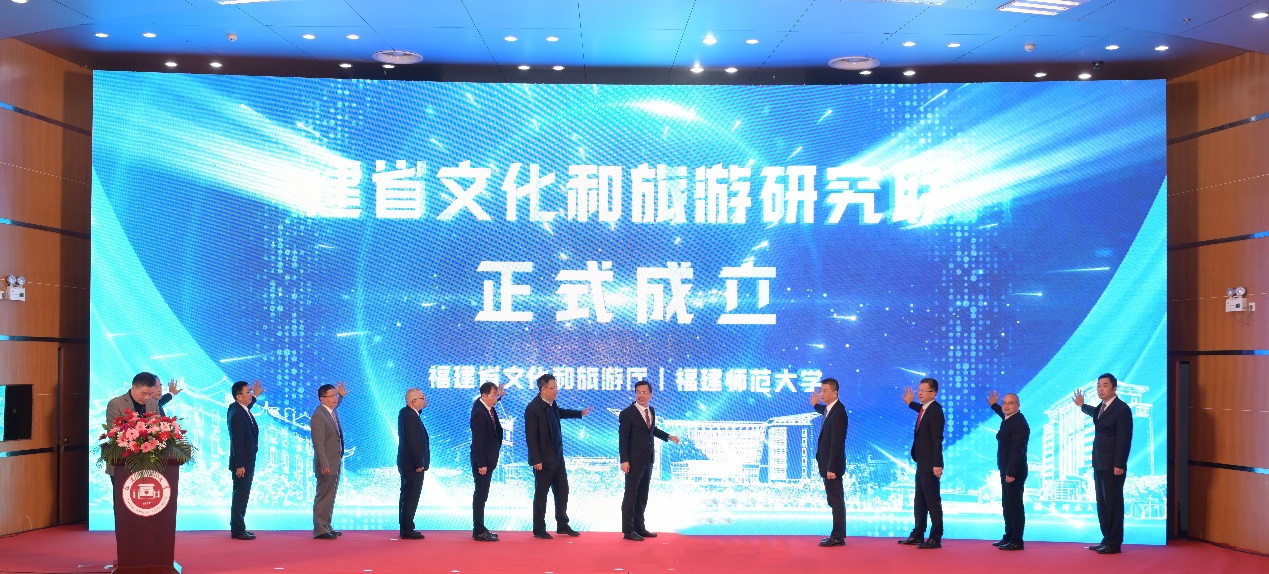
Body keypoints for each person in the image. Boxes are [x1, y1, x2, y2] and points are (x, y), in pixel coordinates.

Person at [524, 373, 590, 539]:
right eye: (553, 388)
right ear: (543, 389)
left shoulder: (552, 404)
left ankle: (562, 524)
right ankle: (539, 528)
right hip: (543, 460)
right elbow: (531, 437)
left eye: (556, 387)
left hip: (557, 457)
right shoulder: (533, 408)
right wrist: (536, 459)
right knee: (541, 494)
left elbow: (560, 413)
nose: (556, 391)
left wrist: (579, 413)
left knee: (562, 490)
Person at [1073, 373, 1133, 555]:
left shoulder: (1122, 409)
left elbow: (1124, 439)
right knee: (1103, 504)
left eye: (1105, 385)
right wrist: (1082, 405)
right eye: (1098, 385)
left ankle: (1114, 542)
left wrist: (1119, 464)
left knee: (1113, 504)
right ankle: (1106, 539)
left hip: (1113, 465)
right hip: (1099, 462)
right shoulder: (1102, 407)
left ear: (1114, 388)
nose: (1100, 389)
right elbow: (1097, 415)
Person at [618, 380, 680, 541]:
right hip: (633, 461)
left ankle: (640, 527)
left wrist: (668, 436)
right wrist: (624, 460)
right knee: (631, 495)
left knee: (642, 495)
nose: (641, 395)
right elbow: (623, 439)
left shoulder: (651, 410)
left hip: (648, 459)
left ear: (651, 395)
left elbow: (652, 430)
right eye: (638, 392)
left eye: (645, 392)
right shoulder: (627, 413)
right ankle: (628, 530)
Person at [898, 377, 945, 549]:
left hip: (931, 463)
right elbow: (921, 409)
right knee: (920, 500)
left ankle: (935, 537)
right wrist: (910, 403)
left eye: (924, 390)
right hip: (922, 462)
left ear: (933, 393)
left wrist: (937, 463)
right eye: (919, 390)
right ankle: (918, 534)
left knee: (932, 501)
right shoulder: (926, 408)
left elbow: (937, 439)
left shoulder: (936, 410)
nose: (919, 393)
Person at [104, 373, 175, 478]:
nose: (147, 397)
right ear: (133, 387)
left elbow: (159, 430)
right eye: (143, 393)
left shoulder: (153, 403)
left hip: (150, 466)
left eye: (150, 394)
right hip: (123, 464)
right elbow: (113, 434)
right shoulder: (116, 404)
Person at [987, 390, 1029, 551]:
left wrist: (1011, 473)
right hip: (1006, 469)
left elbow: (1017, 450)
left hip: (1014, 471)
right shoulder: (1010, 418)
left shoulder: (1019, 423)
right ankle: (1009, 536)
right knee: (1007, 504)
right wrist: (994, 405)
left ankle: (1017, 540)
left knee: (1014, 505)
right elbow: (1002, 413)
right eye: (1004, 403)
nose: (1006, 406)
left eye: (1010, 403)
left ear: (1018, 405)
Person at [809, 378, 849, 547]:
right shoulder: (830, 409)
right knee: (833, 500)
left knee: (836, 500)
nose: (822, 394)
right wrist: (815, 405)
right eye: (821, 390)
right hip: (827, 465)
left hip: (832, 467)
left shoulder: (838, 412)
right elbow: (824, 411)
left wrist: (832, 468)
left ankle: (838, 536)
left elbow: (837, 443)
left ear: (835, 393)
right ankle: (838, 535)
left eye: (825, 391)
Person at [311, 381, 349, 540]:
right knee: (324, 496)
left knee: (330, 496)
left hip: (335, 461)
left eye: (335, 396)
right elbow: (318, 444)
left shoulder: (329, 411)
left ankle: (326, 526)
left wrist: (341, 396)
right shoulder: (318, 415)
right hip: (326, 463)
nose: (335, 399)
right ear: (322, 399)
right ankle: (320, 529)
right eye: (332, 396)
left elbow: (336, 403)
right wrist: (324, 464)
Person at [227, 380, 264, 540]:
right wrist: (240, 465)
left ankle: (239, 527)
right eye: (248, 392)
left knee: (242, 494)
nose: (250, 394)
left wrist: (255, 396)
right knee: (241, 495)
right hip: (242, 463)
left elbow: (247, 407)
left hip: (246, 461)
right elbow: (237, 440)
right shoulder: (237, 413)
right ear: (238, 396)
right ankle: (237, 529)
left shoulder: (239, 408)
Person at [471, 381, 507, 542]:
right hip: (482, 461)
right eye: (493, 396)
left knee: (483, 494)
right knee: (481, 495)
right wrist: (482, 464)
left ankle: (479, 528)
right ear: (484, 395)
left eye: (496, 396)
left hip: (487, 459)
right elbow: (478, 441)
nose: (495, 399)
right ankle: (479, 530)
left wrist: (499, 396)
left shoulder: (484, 405)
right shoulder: (479, 412)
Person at [397, 388, 430, 540]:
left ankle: (406, 527)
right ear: (413, 401)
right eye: (422, 398)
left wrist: (421, 407)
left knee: (407, 495)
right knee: (411, 496)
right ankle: (407, 529)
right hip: (412, 464)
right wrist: (419, 462)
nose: (425, 400)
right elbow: (414, 442)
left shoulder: (407, 413)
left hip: (407, 462)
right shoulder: (410, 417)